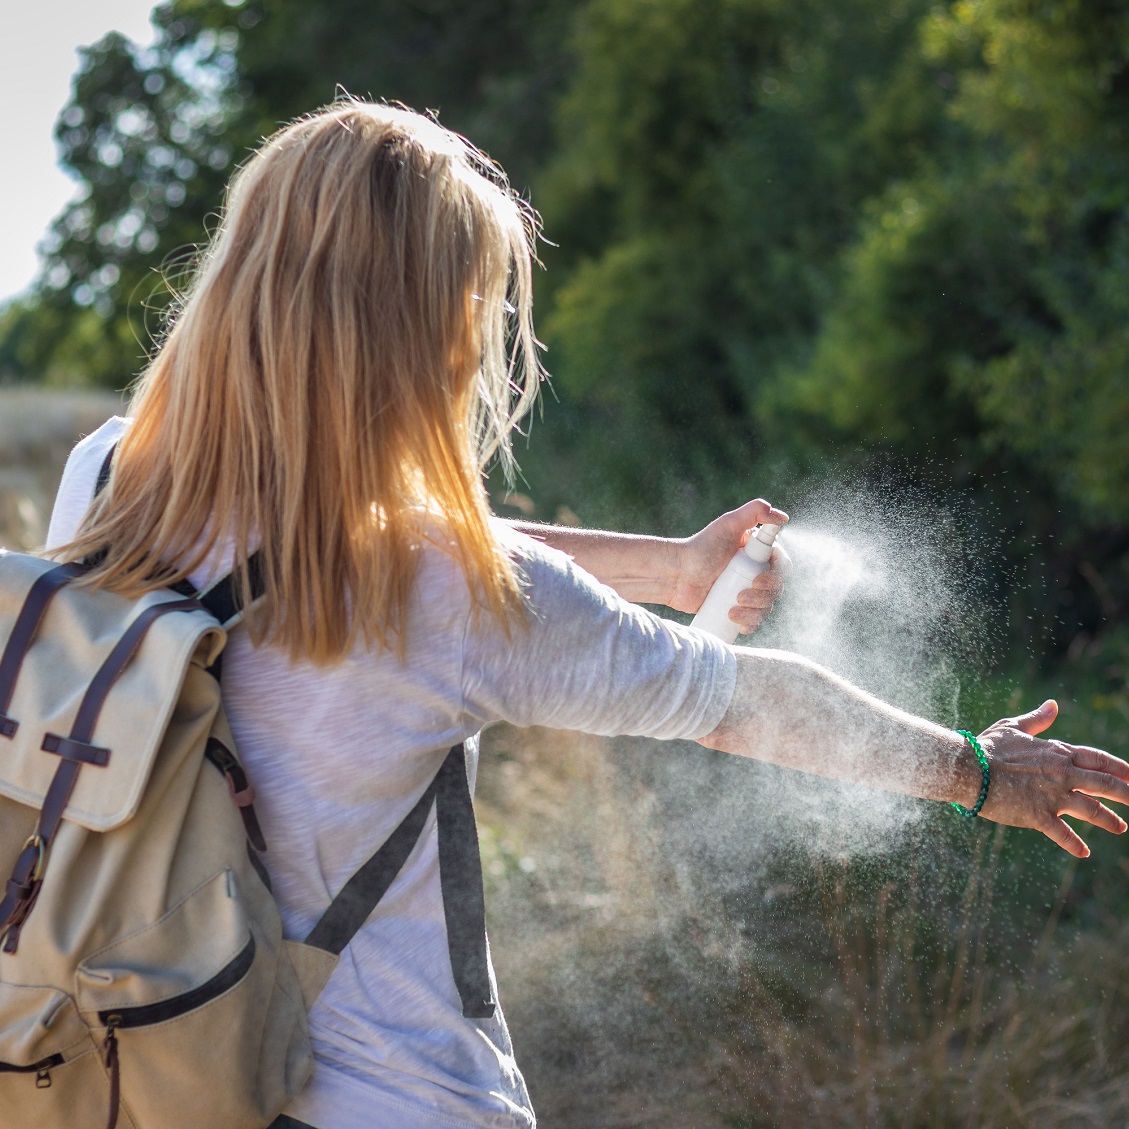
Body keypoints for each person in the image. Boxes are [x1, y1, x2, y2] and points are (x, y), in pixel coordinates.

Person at [46, 101, 1129, 1129]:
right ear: (421, 324)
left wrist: (669, 568)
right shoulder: (444, 589)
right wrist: (977, 772)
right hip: (396, 1098)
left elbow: (358, 546)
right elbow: (746, 702)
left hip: (138, 1075)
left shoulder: (111, 476)